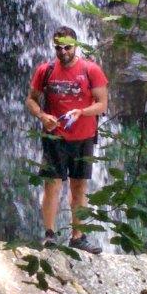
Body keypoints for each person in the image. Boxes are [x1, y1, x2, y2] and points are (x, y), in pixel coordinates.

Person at [25, 25, 108, 254]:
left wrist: (82, 112)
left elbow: (102, 104)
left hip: (84, 137)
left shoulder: (91, 70)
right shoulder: (46, 70)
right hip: (55, 137)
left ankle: (78, 236)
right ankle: (49, 235)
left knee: (79, 186)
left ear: (76, 46)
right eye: (58, 48)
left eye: (68, 47)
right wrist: (42, 115)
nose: (63, 52)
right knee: (52, 185)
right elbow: (31, 100)